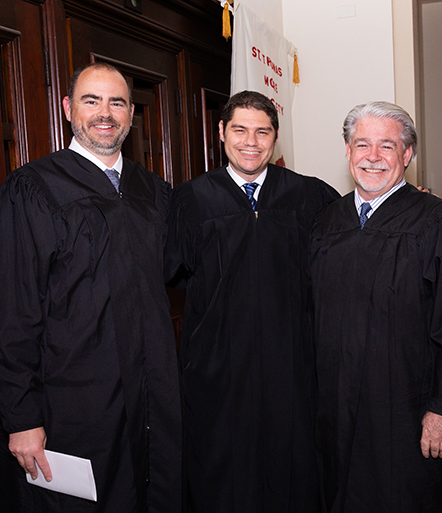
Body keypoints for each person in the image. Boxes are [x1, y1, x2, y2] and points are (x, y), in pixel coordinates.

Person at [0, 62, 181, 513]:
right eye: (91, 101)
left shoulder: (153, 190)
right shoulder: (34, 188)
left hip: (151, 393)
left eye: (117, 102)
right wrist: (21, 418)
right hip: (74, 400)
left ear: (132, 114)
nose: (104, 113)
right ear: (68, 108)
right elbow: (11, 312)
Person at [165, 90, 339, 513]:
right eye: (240, 130)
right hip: (218, 366)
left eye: (263, 132)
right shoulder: (191, 198)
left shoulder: (309, 196)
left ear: (275, 138)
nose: (251, 141)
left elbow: (350, 251)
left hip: (292, 361)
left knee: (293, 461)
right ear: (222, 132)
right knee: (223, 466)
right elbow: (175, 271)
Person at [310, 101, 442, 512]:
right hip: (336, 407)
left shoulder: (436, 220)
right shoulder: (326, 221)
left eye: (387, 146)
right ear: (347, 152)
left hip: (407, 410)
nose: (373, 157)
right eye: (361, 144)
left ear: (407, 155)